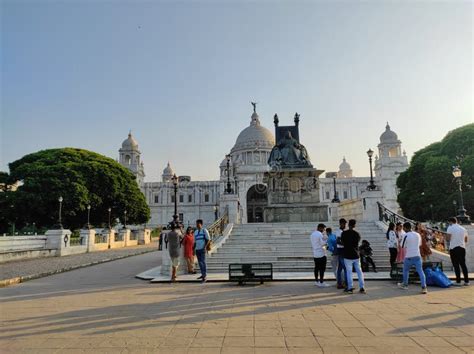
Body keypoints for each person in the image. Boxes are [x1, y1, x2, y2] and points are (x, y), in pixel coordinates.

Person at [397, 222, 428, 294]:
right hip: (417, 256)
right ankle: (424, 287)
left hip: (409, 256)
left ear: (405, 228)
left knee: (405, 270)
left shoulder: (405, 235)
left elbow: (402, 246)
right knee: (420, 271)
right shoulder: (417, 234)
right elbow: (419, 244)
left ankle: (405, 284)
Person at [341, 219, 366, 294]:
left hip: (347, 255)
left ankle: (350, 288)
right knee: (359, 272)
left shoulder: (344, 233)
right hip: (355, 255)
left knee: (349, 272)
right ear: (354, 225)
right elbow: (356, 243)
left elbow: (342, 242)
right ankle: (362, 287)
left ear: (348, 224)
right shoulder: (357, 234)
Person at [447, 217, 469, 286]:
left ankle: (458, 281)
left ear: (451, 222)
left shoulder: (450, 228)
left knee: (456, 265)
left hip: (453, 248)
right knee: (463, 265)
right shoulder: (463, 228)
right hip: (462, 248)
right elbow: (466, 240)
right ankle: (466, 281)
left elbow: (448, 238)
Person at [333, 218, 347, 289]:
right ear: (341, 224)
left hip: (341, 250)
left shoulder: (342, 231)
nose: (345, 225)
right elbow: (338, 241)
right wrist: (346, 244)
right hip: (341, 250)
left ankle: (339, 283)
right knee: (345, 268)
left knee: (340, 268)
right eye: (344, 224)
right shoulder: (339, 232)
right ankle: (346, 283)